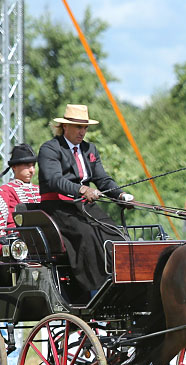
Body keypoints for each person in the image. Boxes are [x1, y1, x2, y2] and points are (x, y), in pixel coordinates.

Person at [37, 104, 133, 297]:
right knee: (88, 234)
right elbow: (53, 179)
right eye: (78, 127)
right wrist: (81, 188)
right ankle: (95, 289)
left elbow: (102, 179)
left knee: (115, 234)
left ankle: (121, 283)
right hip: (58, 207)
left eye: (85, 127)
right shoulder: (50, 148)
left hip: (83, 205)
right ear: (65, 126)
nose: (83, 131)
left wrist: (120, 195)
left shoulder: (89, 149)